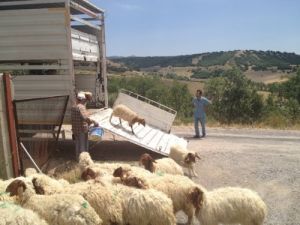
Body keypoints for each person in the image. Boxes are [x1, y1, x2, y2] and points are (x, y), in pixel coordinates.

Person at [71, 92, 98, 160]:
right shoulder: (81, 107)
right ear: (82, 100)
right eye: (85, 100)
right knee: (83, 146)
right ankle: (83, 160)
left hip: (75, 129)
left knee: (77, 144)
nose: (86, 101)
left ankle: (78, 159)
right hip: (82, 129)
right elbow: (85, 118)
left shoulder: (74, 106)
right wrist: (94, 122)